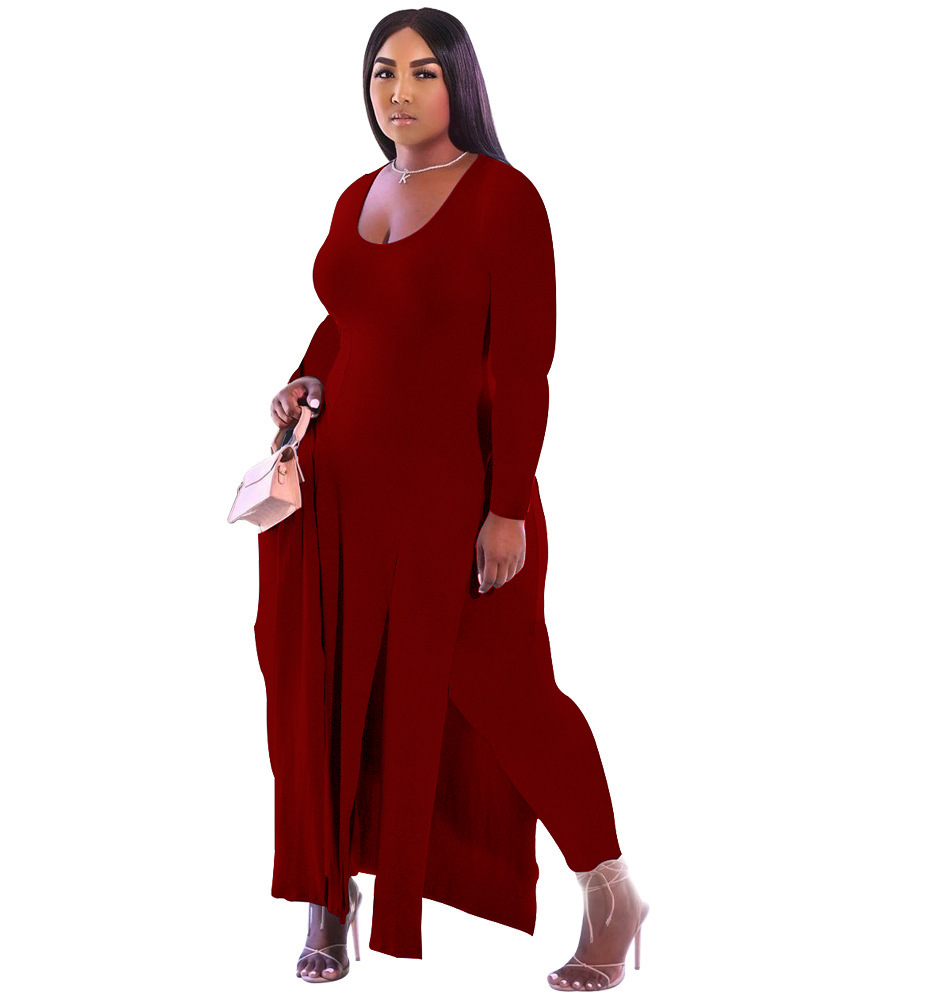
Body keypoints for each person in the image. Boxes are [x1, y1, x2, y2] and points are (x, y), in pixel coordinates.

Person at [255, 9, 649, 991]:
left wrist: (506, 505)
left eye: (423, 72)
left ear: (458, 84)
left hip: (455, 495)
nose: (398, 91)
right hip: (339, 495)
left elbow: (526, 367)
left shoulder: (504, 199)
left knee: (510, 695)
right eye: (383, 71)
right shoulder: (360, 192)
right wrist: (306, 375)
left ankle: (610, 891)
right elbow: (352, 319)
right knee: (330, 691)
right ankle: (329, 891)